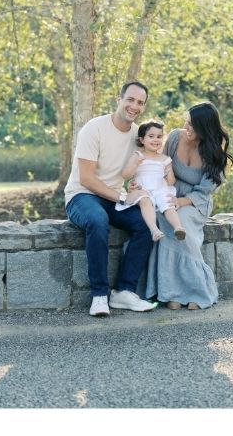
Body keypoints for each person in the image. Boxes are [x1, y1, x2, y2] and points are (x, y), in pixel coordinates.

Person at [63, 81, 160, 317]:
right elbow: (86, 178)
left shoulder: (139, 136)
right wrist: (123, 196)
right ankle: (99, 295)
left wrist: (136, 187)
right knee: (97, 220)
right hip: (82, 196)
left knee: (147, 225)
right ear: (119, 99)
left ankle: (123, 292)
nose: (134, 106)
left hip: (114, 198)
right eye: (130, 99)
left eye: (140, 102)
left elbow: (135, 171)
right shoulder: (94, 128)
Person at [143, 101, 232, 310]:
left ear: (205, 127)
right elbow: (158, 164)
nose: (187, 127)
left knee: (181, 222)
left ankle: (199, 291)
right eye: (187, 122)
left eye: (192, 125)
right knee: (161, 219)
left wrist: (180, 202)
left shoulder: (215, 154)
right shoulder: (175, 137)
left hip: (195, 203)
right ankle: (169, 293)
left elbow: (204, 191)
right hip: (168, 195)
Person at [116, 120, 185, 241]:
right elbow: (125, 175)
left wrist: (169, 175)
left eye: (159, 136)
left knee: (168, 204)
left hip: (160, 188)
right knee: (145, 201)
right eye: (151, 136)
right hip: (143, 189)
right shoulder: (138, 155)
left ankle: (178, 227)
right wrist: (135, 165)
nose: (156, 140)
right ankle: (154, 229)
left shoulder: (165, 159)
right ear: (142, 140)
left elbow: (171, 181)